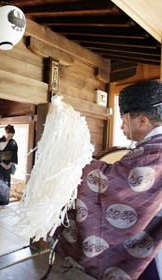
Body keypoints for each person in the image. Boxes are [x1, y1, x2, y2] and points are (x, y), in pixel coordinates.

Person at [52, 81, 162, 279]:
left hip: (151, 248)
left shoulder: (156, 151)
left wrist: (71, 159)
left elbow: (112, 185)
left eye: (124, 120)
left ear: (143, 121)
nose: (121, 126)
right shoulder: (153, 147)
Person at [0, 124, 18, 209]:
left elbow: (14, 155)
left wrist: (10, 164)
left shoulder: (13, 142)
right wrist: (2, 163)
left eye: (12, 136)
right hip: (0, 165)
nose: (10, 137)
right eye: (9, 135)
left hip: (8, 165)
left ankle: (5, 202)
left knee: (6, 183)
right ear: (5, 133)